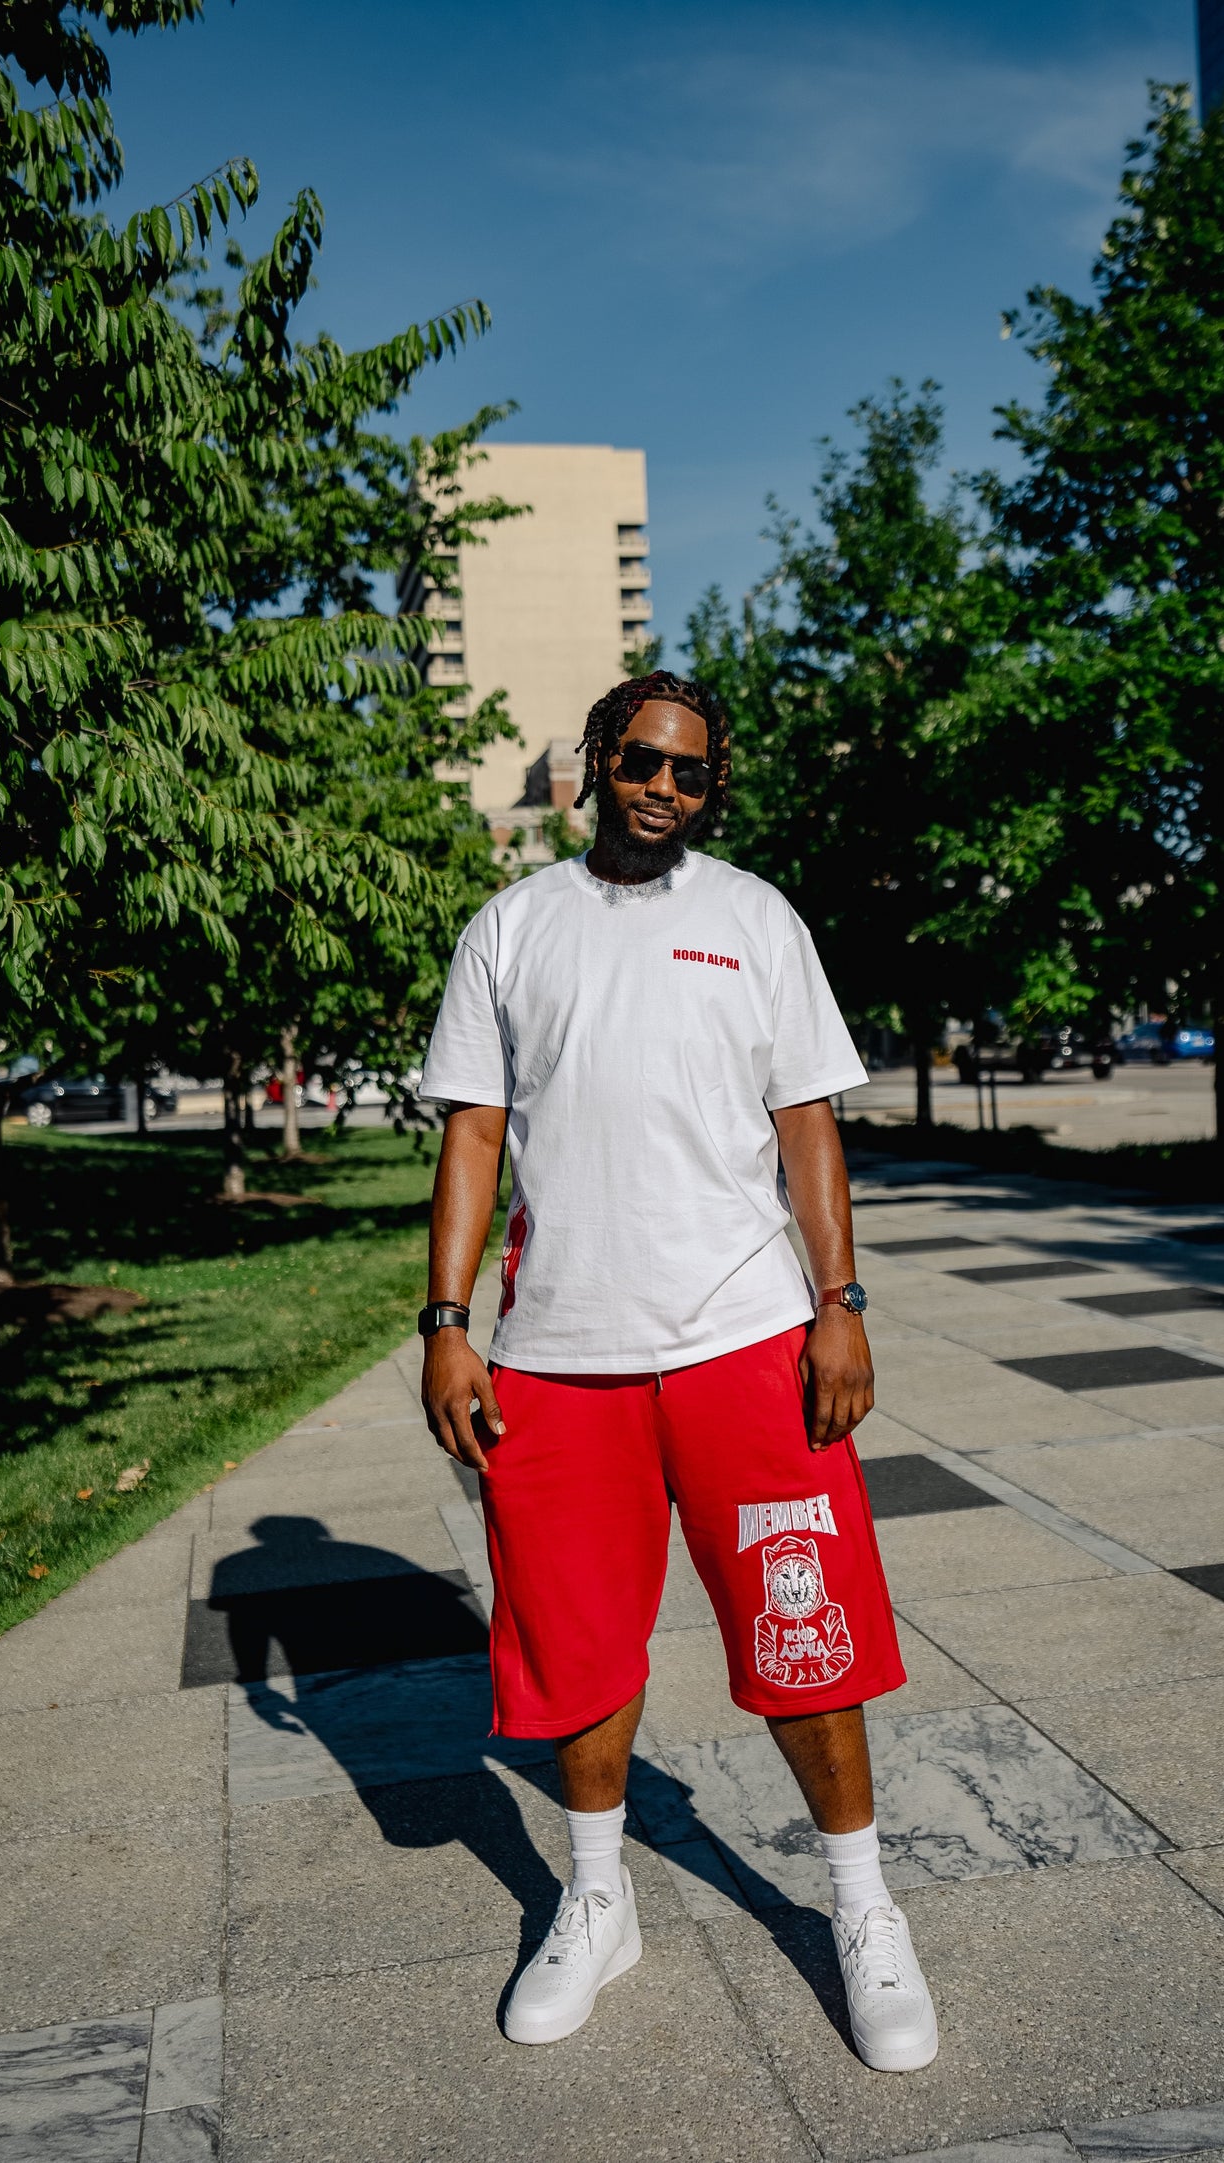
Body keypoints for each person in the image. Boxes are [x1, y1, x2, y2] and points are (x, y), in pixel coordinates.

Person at [417, 670, 937, 2073]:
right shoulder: (512, 928)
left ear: (714, 790)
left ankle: (861, 1908)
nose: (662, 787)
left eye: (691, 773)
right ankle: (596, 1904)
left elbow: (808, 1125)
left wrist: (839, 1301)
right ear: (594, 760)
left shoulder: (753, 916)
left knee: (804, 1632)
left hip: (746, 1341)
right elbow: (471, 1134)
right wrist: (444, 1321)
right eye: (641, 760)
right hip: (556, 1357)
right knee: (576, 1648)